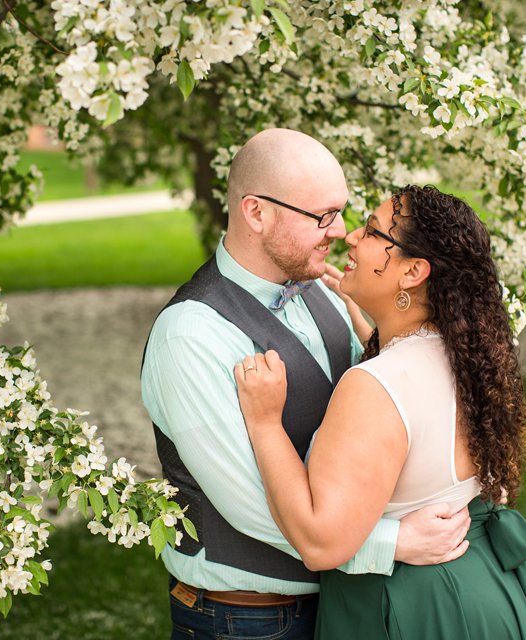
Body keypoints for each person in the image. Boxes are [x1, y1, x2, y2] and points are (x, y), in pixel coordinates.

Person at [141, 130, 472, 640]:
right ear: (256, 213)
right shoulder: (190, 335)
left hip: (343, 604)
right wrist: (394, 542)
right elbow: (251, 506)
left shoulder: (324, 287)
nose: (340, 232)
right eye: (321, 216)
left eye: (341, 212)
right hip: (248, 618)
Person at [235, 185, 526, 638]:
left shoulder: (374, 387)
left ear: (413, 271)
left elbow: (319, 542)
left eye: (372, 232)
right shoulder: (468, 357)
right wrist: (374, 325)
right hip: (496, 591)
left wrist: (264, 422)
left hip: (415, 610)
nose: (350, 237)